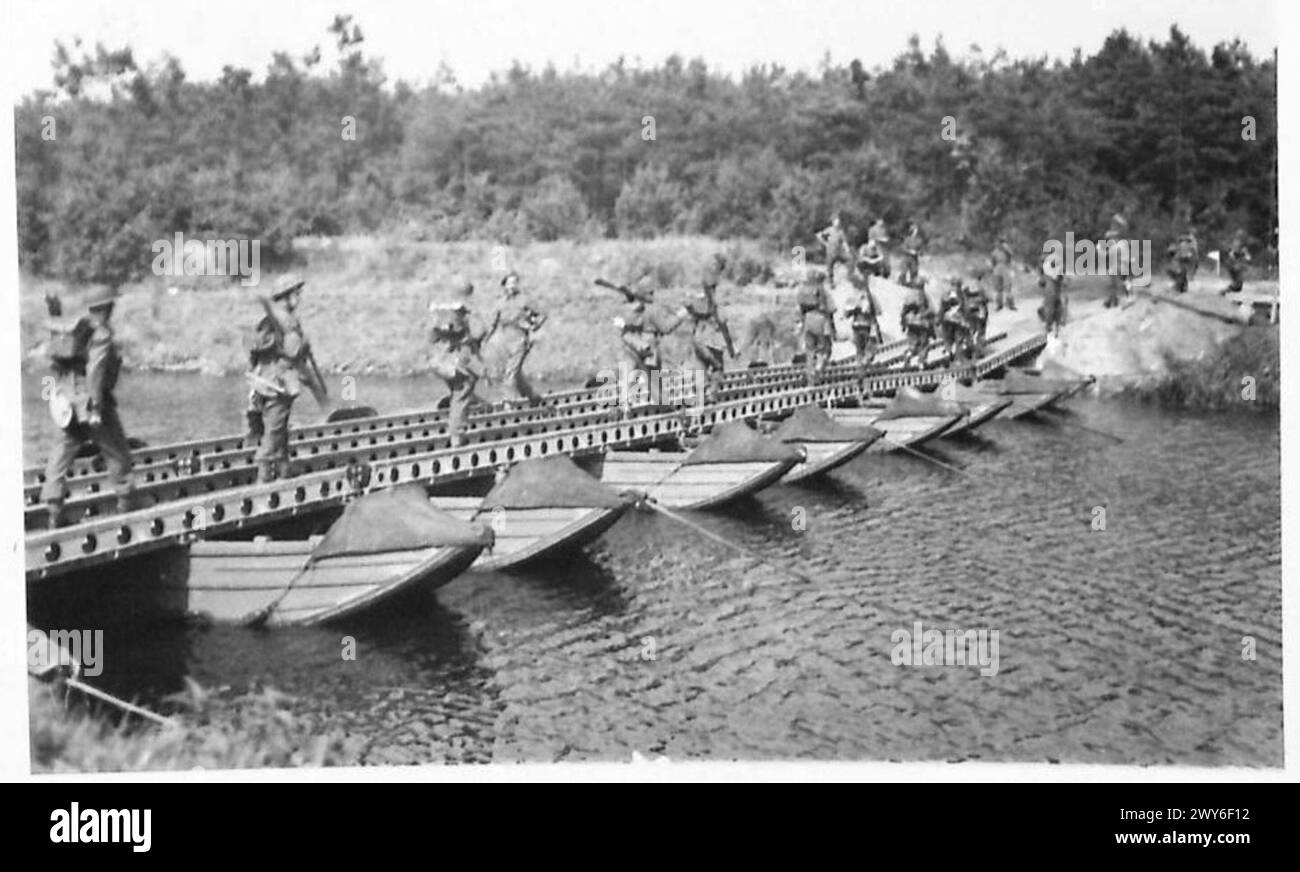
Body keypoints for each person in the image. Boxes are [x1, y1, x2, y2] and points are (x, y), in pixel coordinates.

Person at [40, 287, 135, 528]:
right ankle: (125, 503)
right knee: (116, 451)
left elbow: (56, 363)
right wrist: (95, 407)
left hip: (65, 404)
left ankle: (54, 510)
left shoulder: (72, 330)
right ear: (107, 308)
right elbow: (96, 371)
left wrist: (54, 309)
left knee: (59, 456)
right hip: (91, 403)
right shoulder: (100, 334)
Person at [246, 274, 317, 482]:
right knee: (275, 431)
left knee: (278, 429)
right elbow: (293, 351)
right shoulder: (287, 321)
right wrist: (305, 343)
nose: (299, 298)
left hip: (264, 382)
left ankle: (284, 472)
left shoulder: (268, 320)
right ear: (287, 297)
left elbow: (254, 352)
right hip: (279, 384)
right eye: (297, 293)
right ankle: (263, 478)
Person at [428, 276, 494, 446]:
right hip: (460, 360)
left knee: (457, 390)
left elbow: (432, 336)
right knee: (462, 394)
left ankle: (478, 405)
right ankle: (456, 436)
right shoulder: (465, 309)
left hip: (440, 360)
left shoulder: (439, 308)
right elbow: (479, 332)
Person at [679, 254, 736, 403]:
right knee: (718, 367)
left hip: (698, 336)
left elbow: (691, 310)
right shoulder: (718, 294)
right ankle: (711, 393)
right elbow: (723, 320)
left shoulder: (701, 287)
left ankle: (701, 392)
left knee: (700, 365)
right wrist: (731, 348)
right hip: (712, 338)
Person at [496, 271, 545, 405]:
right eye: (509, 283)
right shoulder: (500, 302)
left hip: (520, 340)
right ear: (504, 285)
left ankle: (509, 404)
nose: (512, 286)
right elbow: (494, 322)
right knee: (514, 375)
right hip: (505, 341)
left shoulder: (524, 299)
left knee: (510, 374)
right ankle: (533, 398)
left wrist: (534, 326)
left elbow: (542, 313)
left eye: (514, 283)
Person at [796, 269, 836, 382]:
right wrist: (833, 329)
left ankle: (810, 373)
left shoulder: (804, 292)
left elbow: (799, 309)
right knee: (825, 349)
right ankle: (818, 369)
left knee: (810, 349)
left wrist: (801, 324)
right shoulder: (824, 292)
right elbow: (832, 309)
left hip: (808, 321)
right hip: (821, 321)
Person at [842, 269, 883, 376]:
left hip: (856, 326)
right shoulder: (870, 296)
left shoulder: (852, 297)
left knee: (859, 350)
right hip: (868, 326)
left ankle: (861, 371)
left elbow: (846, 313)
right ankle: (865, 364)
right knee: (871, 348)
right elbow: (879, 311)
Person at [900, 280, 935, 368]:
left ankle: (908, 354)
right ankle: (921, 361)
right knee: (924, 343)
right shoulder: (925, 295)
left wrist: (903, 324)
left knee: (912, 343)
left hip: (910, 323)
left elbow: (903, 311)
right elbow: (932, 309)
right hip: (922, 323)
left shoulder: (908, 296)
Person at [938, 278, 970, 361]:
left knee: (947, 339)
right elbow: (966, 308)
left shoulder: (945, 294)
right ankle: (958, 359)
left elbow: (941, 308)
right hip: (957, 320)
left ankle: (947, 353)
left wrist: (940, 319)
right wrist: (966, 320)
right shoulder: (961, 294)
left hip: (946, 319)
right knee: (959, 339)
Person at [815, 214, 850, 284]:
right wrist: (824, 243)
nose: (838, 223)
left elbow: (844, 242)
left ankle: (848, 277)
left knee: (848, 261)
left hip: (839, 252)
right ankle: (831, 283)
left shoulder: (841, 231)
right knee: (829, 268)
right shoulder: (829, 230)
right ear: (833, 222)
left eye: (838, 221)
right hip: (830, 252)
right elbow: (819, 235)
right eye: (836, 221)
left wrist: (847, 249)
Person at [1037, 259, 1066, 337]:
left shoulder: (1049, 272)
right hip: (1053, 294)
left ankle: (1050, 328)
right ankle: (1052, 328)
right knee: (1054, 311)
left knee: (1053, 310)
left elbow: (1041, 283)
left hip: (1052, 295)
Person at [990, 233, 1017, 310]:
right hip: (998, 268)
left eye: (1001, 242)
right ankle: (999, 304)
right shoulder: (995, 251)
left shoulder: (1007, 249)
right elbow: (993, 260)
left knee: (1008, 287)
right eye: (999, 242)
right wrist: (994, 268)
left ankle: (1010, 304)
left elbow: (1010, 256)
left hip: (1006, 267)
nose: (999, 244)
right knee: (998, 288)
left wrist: (1005, 250)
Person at [1223, 229, 1251, 295]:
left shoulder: (1238, 243)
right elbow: (1232, 254)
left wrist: (1245, 256)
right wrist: (1243, 255)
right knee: (1237, 285)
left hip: (1234, 265)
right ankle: (1222, 292)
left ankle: (1223, 292)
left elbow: (1246, 256)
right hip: (1234, 266)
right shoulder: (1237, 243)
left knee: (1238, 287)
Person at [899, 221, 925, 287]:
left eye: (916, 230)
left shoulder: (919, 240)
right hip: (906, 258)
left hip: (914, 259)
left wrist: (918, 253)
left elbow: (922, 251)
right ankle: (901, 284)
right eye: (914, 230)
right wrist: (910, 251)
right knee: (903, 273)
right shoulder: (907, 239)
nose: (915, 231)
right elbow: (903, 248)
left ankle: (913, 286)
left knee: (914, 274)